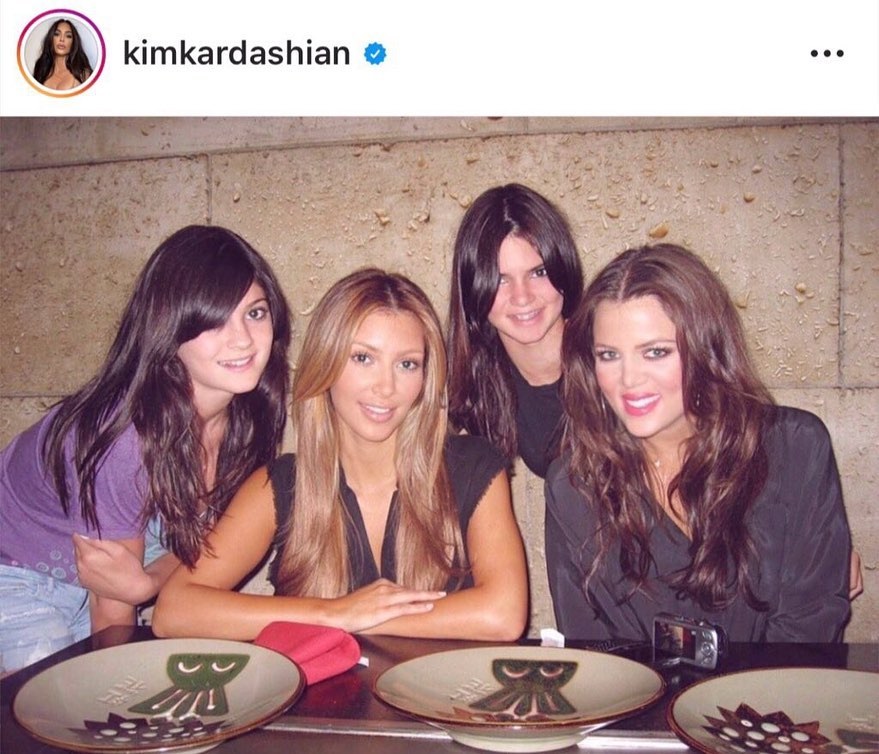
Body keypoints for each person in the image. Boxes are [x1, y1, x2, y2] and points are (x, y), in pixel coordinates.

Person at [152, 268, 528, 641]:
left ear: (426, 377)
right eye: (363, 358)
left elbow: (503, 615)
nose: (386, 387)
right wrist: (335, 614)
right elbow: (174, 611)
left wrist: (363, 619)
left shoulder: (472, 466)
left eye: (407, 364)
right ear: (326, 362)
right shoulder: (281, 485)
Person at [0, 225, 291, 673]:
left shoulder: (250, 413)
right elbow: (111, 608)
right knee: (61, 703)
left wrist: (146, 584)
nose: (243, 340)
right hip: (19, 576)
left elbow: (201, 552)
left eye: (254, 313)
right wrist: (134, 594)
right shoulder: (126, 439)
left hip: (106, 578)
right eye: (213, 321)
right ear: (169, 329)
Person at [545, 243, 853, 642]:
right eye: (608, 355)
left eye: (656, 352)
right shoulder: (575, 485)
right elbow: (589, 646)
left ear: (706, 348)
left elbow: (809, 626)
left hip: (778, 682)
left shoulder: (793, 450)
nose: (629, 380)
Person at [447, 183, 583, 479]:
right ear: (473, 288)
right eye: (500, 279)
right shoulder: (478, 374)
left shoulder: (608, 354)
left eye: (539, 272)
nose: (522, 297)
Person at [32, 18, 93, 90]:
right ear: (51, 38)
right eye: (57, 34)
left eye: (68, 36)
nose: (62, 39)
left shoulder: (83, 74)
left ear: (74, 42)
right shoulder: (40, 70)